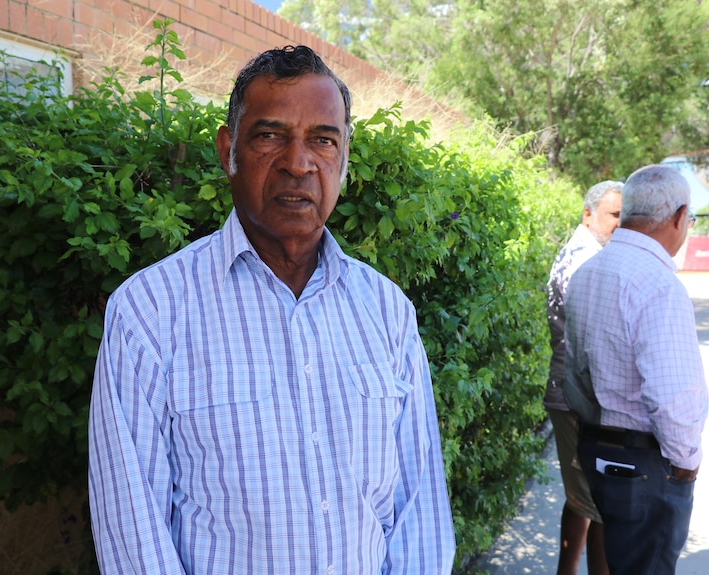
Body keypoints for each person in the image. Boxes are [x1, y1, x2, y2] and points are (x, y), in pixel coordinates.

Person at [87, 45, 456, 575]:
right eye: (269, 136)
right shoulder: (149, 312)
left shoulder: (387, 311)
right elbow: (133, 535)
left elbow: (419, 513)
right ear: (227, 150)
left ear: (345, 158)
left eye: (323, 140)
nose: (298, 162)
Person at [563, 164, 708, 575]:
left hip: (599, 448)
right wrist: (686, 464)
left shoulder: (590, 271)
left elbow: (574, 374)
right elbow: (672, 397)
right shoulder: (658, 285)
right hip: (647, 463)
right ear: (680, 218)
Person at [545, 181, 622, 575]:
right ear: (587, 215)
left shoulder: (590, 254)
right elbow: (593, 342)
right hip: (577, 397)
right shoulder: (583, 261)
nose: (620, 224)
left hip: (576, 396)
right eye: (613, 215)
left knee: (584, 500)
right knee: (598, 504)